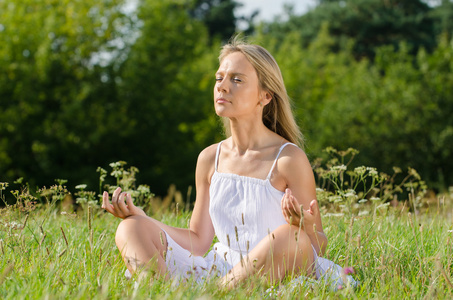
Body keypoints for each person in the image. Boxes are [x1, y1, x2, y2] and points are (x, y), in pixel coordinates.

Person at [102, 39, 329, 288]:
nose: (222, 87)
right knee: (130, 228)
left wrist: (306, 226)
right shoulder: (210, 158)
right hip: (220, 268)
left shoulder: (288, 159)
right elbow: (198, 241)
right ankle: (160, 290)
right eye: (219, 78)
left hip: (273, 270)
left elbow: (315, 248)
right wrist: (145, 218)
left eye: (237, 79)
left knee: (291, 237)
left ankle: (215, 294)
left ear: (265, 96)